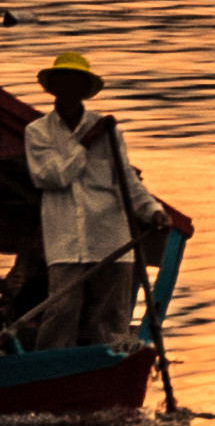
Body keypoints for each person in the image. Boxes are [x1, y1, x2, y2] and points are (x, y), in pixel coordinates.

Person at [21, 51, 192, 348]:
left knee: (111, 322)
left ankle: (107, 367)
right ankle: (48, 369)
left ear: (84, 90)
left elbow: (126, 180)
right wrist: (85, 143)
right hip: (65, 242)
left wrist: (153, 211)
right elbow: (52, 177)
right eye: (65, 83)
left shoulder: (109, 131)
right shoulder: (38, 133)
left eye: (77, 84)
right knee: (61, 312)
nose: (70, 90)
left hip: (110, 238)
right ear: (55, 88)